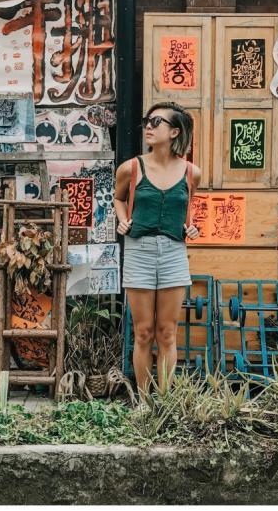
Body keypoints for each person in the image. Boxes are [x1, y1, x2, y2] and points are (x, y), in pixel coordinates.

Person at [114, 102, 200, 398]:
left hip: (174, 252)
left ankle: (164, 402)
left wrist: (192, 226)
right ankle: (143, 401)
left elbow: (187, 207)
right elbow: (118, 198)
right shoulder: (131, 167)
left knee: (167, 332)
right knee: (143, 332)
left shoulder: (192, 173)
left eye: (157, 122)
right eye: (147, 121)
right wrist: (124, 220)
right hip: (139, 250)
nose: (149, 127)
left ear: (174, 131)